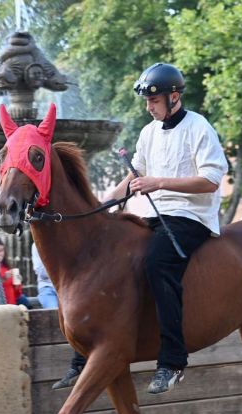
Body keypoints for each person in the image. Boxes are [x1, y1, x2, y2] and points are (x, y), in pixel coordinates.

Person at [58, 63, 229, 395]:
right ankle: (81, 357)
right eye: (147, 102)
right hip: (153, 214)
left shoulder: (199, 127)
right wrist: (105, 203)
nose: (149, 107)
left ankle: (173, 361)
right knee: (111, 260)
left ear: (174, 97)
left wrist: (159, 182)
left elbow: (209, 181)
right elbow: (134, 177)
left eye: (154, 101)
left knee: (157, 262)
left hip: (191, 217)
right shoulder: (149, 132)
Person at [0, 237, 31, 307]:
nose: (0, 254)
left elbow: (17, 294)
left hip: (11, 306)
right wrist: (3, 279)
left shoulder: (6, 266)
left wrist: (18, 284)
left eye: (2, 250)